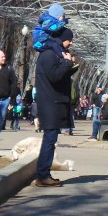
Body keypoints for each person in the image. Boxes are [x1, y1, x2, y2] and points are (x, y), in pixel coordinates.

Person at [34, 27, 78, 187]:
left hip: (51, 101)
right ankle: (42, 175)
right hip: (49, 102)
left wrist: (70, 66)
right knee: (50, 139)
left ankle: (43, 174)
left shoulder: (52, 52)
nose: (71, 42)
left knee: (51, 139)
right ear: (62, 38)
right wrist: (67, 63)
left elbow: (57, 75)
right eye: (70, 39)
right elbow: (54, 76)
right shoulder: (50, 54)